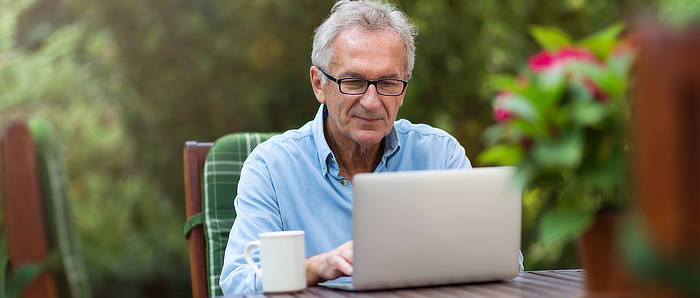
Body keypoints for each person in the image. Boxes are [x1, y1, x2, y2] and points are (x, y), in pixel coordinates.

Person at [220, 1, 520, 295]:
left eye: (389, 83)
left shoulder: (439, 154)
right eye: (353, 81)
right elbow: (238, 283)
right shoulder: (272, 166)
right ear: (318, 84)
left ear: (404, 88)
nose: (372, 102)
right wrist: (316, 268)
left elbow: (505, 262)